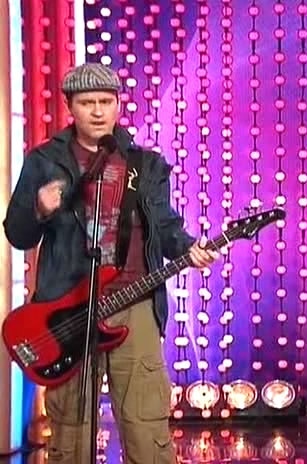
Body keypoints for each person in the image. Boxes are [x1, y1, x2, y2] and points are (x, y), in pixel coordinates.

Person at [3, 62, 217, 463]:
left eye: (106, 101)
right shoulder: (44, 161)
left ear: (119, 104)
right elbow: (18, 235)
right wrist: (39, 210)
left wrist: (189, 247)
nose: (98, 111)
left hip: (134, 304)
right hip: (68, 309)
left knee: (146, 428)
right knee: (71, 432)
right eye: (88, 102)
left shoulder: (145, 164)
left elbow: (164, 225)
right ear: (70, 106)